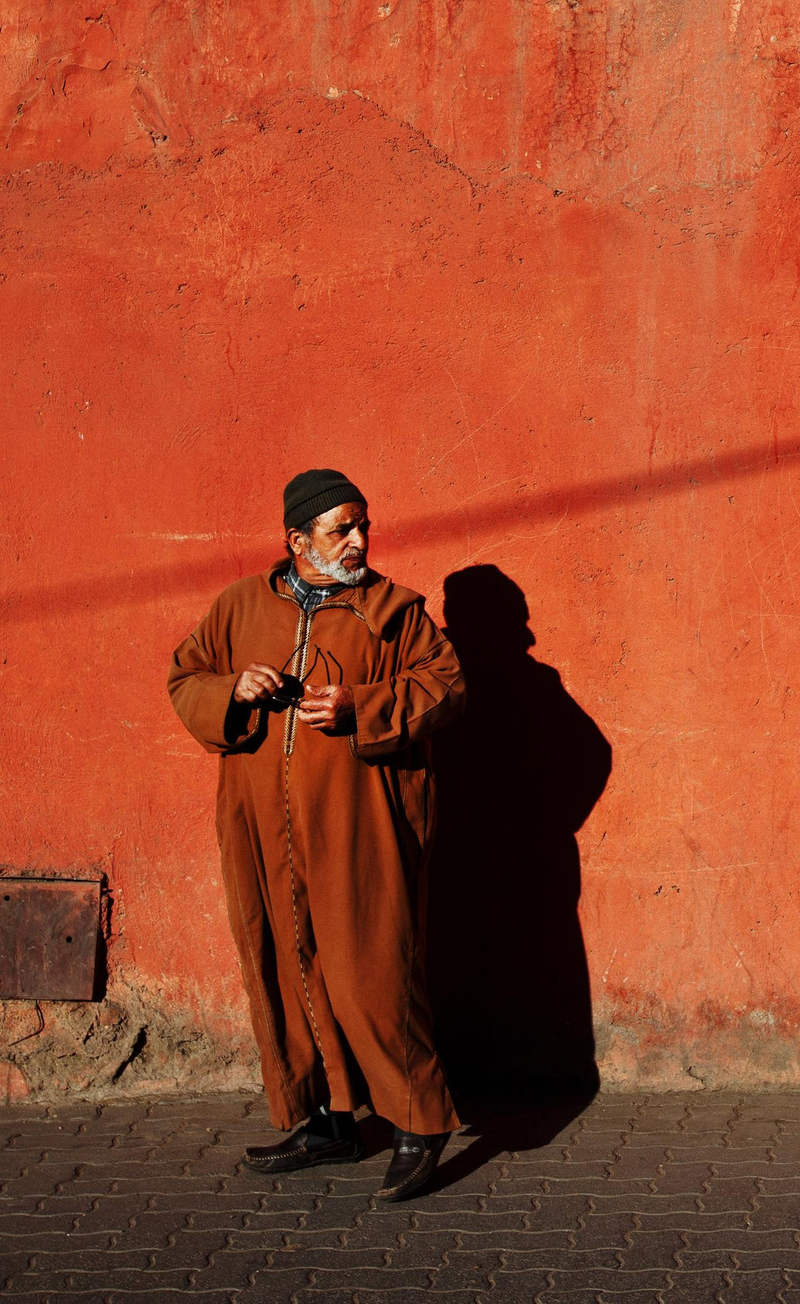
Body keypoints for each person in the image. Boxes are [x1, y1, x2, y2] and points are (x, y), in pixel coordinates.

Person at [166, 469, 466, 1201]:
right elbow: (185, 677)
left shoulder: (394, 611)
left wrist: (362, 705)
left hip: (359, 823)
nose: (360, 540)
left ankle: (418, 1121)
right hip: (263, 826)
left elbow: (447, 686)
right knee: (287, 959)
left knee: (373, 966)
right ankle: (332, 1118)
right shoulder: (239, 606)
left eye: (364, 525)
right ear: (296, 541)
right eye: (342, 529)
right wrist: (232, 688)